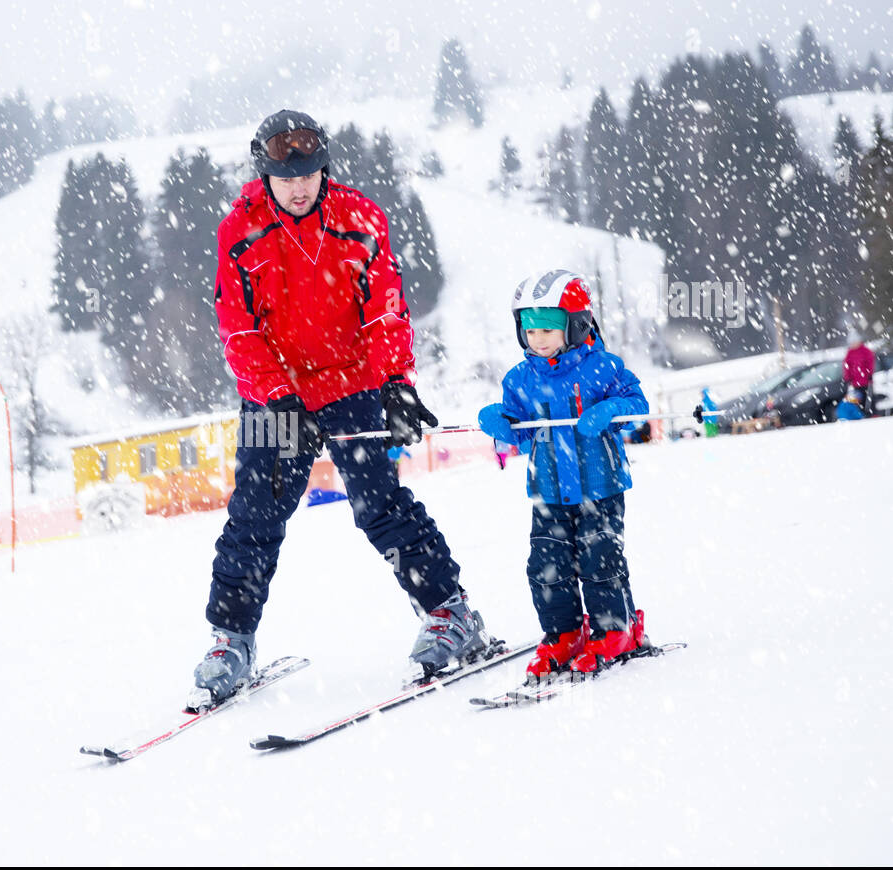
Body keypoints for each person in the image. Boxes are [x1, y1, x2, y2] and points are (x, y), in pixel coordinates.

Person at [188, 109, 493, 709]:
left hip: (352, 382)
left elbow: (385, 310)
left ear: (323, 167)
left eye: (309, 173)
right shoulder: (239, 231)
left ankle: (450, 613)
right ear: (265, 174)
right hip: (278, 391)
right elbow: (238, 330)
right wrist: (280, 398)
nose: (300, 186)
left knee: (380, 506)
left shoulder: (359, 218)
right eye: (286, 176)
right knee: (255, 515)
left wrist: (397, 384)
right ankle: (231, 641)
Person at [477, 269, 650, 682]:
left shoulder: (604, 367)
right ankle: (565, 634)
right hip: (547, 490)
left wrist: (611, 410)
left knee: (599, 560)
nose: (538, 339)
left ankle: (616, 630)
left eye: (549, 329)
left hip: (600, 486)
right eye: (529, 329)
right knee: (546, 565)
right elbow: (515, 427)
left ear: (575, 325)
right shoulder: (520, 378)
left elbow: (637, 404)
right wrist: (501, 421)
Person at [842, 331, 875, 416]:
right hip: (855, 382)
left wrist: (870, 374)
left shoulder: (866, 351)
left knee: (868, 399)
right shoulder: (850, 353)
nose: (853, 344)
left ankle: (869, 413)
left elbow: (870, 363)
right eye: (851, 343)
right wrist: (847, 378)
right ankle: (859, 414)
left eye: (854, 342)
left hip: (866, 381)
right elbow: (846, 366)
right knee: (856, 400)